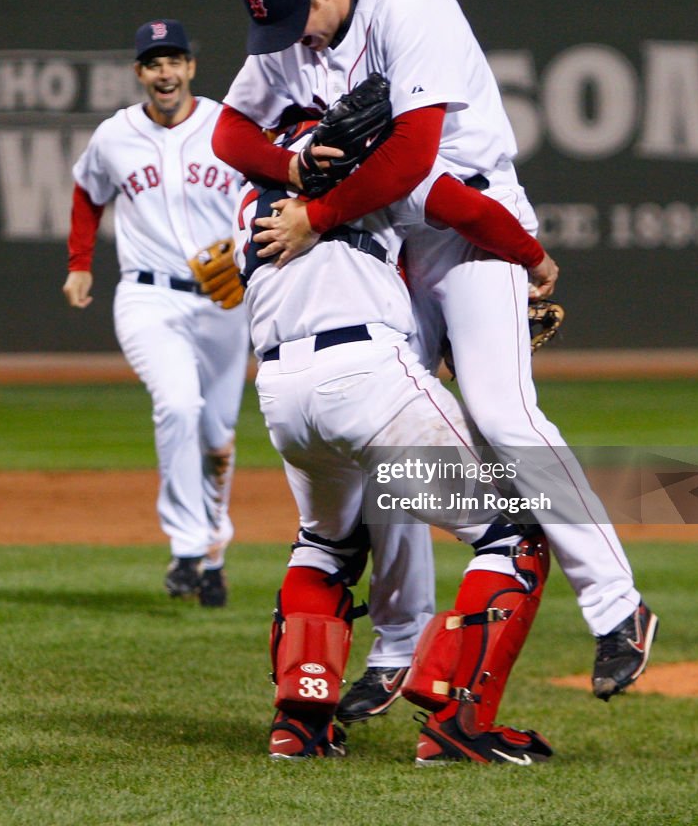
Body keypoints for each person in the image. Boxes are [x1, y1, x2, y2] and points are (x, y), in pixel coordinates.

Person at [211, 0, 658, 706]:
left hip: (465, 215)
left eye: (298, 21)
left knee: (499, 410)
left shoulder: (411, 6)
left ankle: (615, 608)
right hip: (381, 233)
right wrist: (290, 167)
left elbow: (415, 162)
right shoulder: (293, 28)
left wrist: (316, 214)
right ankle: (395, 647)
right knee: (386, 434)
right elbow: (229, 133)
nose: (294, 43)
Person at [234, 122, 557, 764]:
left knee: (327, 542)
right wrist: (534, 259)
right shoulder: (369, 172)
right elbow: (464, 207)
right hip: (367, 373)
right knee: (516, 530)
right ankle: (457, 722)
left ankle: (298, 726)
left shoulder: (247, 196)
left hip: (280, 389)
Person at [63, 19, 249, 607]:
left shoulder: (228, 125)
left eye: (174, 61)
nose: (164, 72)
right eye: (153, 63)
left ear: (191, 67)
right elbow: (87, 192)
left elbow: (268, 193)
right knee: (177, 404)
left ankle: (213, 551)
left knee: (218, 437)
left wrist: (247, 254)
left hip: (225, 299)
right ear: (139, 73)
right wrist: (80, 262)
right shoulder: (115, 135)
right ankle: (187, 545)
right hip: (148, 295)